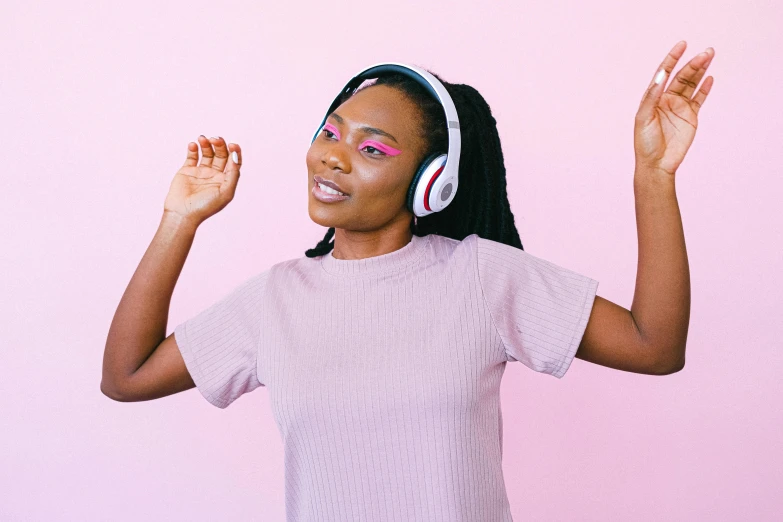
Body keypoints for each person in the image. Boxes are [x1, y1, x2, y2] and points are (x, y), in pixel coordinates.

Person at [101, 40, 715, 522]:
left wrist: (654, 177)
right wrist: (178, 221)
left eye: (374, 150)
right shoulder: (274, 300)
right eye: (331, 132)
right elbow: (125, 378)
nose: (333, 156)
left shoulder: (479, 274)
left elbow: (653, 346)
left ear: (433, 181)